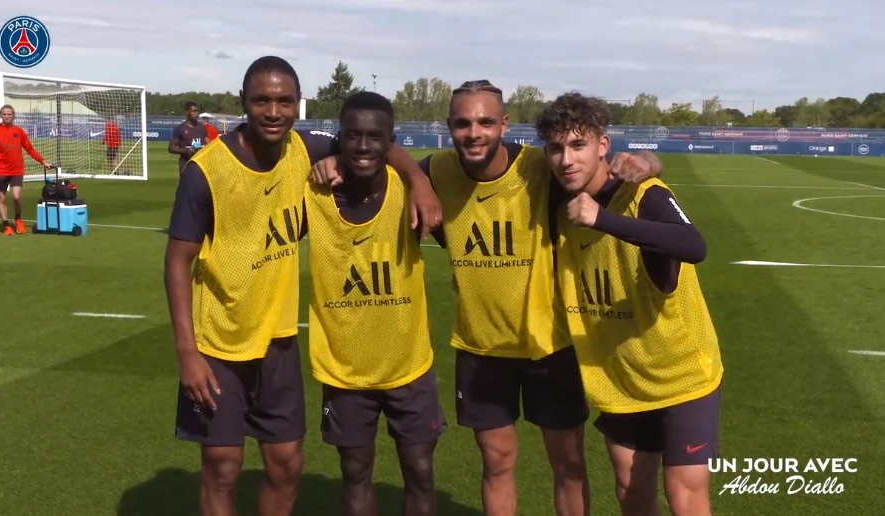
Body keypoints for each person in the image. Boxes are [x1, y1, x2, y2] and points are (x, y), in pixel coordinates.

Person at [311, 80, 660, 516]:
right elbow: (384, 151)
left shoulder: (538, 166)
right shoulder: (438, 170)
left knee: (568, 465)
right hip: (481, 348)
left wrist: (647, 159)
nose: (473, 132)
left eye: (485, 122)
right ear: (449, 127)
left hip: (549, 344)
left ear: (504, 124)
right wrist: (418, 179)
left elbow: (598, 174)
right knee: (497, 463)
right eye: (462, 123)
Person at [164, 56, 441, 516]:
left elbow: (372, 142)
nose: (274, 111)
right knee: (222, 469)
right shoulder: (205, 172)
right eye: (262, 100)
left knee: (288, 464)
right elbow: (177, 261)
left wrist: (417, 180)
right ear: (243, 102)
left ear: (297, 104)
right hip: (219, 343)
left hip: (279, 341)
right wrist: (187, 354)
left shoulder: (305, 147)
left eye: (284, 101)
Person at [538, 92, 723, 516]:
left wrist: (605, 218)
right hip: (620, 378)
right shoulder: (557, 196)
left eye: (578, 145)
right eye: (556, 148)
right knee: (631, 493)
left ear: (603, 145)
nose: (566, 159)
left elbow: (693, 245)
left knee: (686, 496)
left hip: (682, 376)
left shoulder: (646, 195)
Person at [303, 91, 446, 516]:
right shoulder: (312, 189)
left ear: (392, 141)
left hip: (409, 365)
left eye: (374, 136)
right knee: (355, 471)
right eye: (352, 135)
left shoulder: (412, 192)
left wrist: (419, 180)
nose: (363, 145)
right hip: (344, 370)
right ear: (339, 138)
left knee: (420, 471)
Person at [0, 104, 52, 236]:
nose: (7, 116)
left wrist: (42, 161)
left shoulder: (19, 131)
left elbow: (29, 149)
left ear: (13, 115)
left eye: (9, 114)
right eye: (4, 114)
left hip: (16, 170)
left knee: (16, 197)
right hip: (1, 171)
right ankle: (6, 225)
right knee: (2, 199)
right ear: (1, 115)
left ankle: (18, 218)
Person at [168, 101, 210, 174]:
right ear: (187, 112)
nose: (196, 114)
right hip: (186, 166)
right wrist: (186, 151)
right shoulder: (180, 129)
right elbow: (171, 148)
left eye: (197, 111)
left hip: (201, 166)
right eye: (193, 111)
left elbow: (208, 145)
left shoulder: (202, 128)